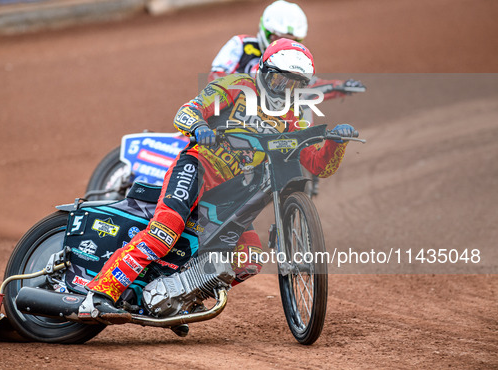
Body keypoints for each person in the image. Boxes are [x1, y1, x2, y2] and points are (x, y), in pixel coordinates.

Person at [85, 39, 356, 321]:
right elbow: (187, 111)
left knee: (248, 259)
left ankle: (179, 300)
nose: (285, 89)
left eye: (294, 84)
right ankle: (100, 294)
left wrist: (336, 142)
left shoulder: (293, 114)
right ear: (263, 71)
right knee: (163, 234)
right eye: (279, 80)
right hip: (197, 169)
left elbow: (316, 163)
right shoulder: (236, 86)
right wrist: (200, 126)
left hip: (231, 195)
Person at [208, 0, 364, 125]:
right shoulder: (241, 44)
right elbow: (215, 78)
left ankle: (299, 151)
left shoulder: (294, 61)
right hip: (231, 114)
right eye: (277, 38)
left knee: (300, 102)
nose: (281, 44)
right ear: (266, 31)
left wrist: (339, 86)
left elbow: (306, 86)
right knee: (186, 141)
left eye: (290, 40)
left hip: (271, 119)